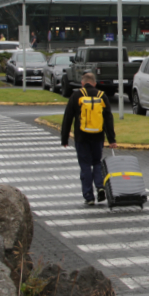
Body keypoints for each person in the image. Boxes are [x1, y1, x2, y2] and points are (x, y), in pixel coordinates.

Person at [61, 72, 117, 205]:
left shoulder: (76, 95)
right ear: (95, 83)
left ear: (82, 83)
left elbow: (67, 118)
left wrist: (64, 139)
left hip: (81, 137)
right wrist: (112, 140)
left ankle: (88, 196)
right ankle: (100, 186)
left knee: (85, 165)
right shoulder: (102, 96)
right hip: (98, 136)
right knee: (97, 162)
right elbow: (108, 119)